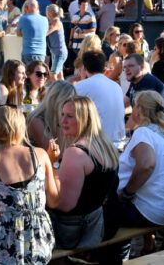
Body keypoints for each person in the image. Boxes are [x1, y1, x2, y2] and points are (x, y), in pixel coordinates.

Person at [0, 105, 58, 264]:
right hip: (38, 240)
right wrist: (53, 165)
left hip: (5, 242)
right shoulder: (40, 155)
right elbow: (53, 201)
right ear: (21, 128)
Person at [47, 96, 119, 249]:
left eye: (70, 116)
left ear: (84, 120)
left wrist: (51, 166)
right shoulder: (106, 145)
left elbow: (65, 206)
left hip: (80, 232)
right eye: (62, 114)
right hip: (108, 222)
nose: (63, 121)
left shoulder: (75, 153)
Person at [110, 90, 164, 230]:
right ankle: (156, 241)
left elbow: (147, 165)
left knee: (100, 212)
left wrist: (126, 194)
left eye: (135, 105)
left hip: (151, 213)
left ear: (139, 110)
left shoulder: (143, 132)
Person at [75, 51, 126, 143]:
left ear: (84, 68)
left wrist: (83, 79)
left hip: (98, 143)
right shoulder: (116, 86)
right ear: (104, 68)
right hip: (119, 141)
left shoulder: (81, 86)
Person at [123, 53, 164, 123]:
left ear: (142, 67)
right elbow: (123, 103)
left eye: (131, 66)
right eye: (124, 67)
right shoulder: (135, 81)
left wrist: (123, 131)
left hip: (159, 129)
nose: (126, 69)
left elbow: (142, 116)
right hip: (148, 126)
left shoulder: (147, 82)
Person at [27, 80, 76, 151]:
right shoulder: (36, 120)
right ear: (57, 101)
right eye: (68, 101)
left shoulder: (61, 119)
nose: (71, 105)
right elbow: (55, 153)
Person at [16, 0, 48, 65]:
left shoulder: (23, 19)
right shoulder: (45, 19)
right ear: (38, 7)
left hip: (28, 52)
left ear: (26, 7)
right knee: (38, 74)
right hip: (41, 52)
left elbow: (18, 34)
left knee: (28, 74)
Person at [45, 4, 67, 81]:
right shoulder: (51, 22)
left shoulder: (56, 22)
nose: (45, 13)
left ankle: (57, 91)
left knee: (53, 74)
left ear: (50, 12)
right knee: (60, 75)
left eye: (46, 11)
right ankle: (65, 91)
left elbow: (46, 33)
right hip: (55, 52)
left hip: (59, 53)